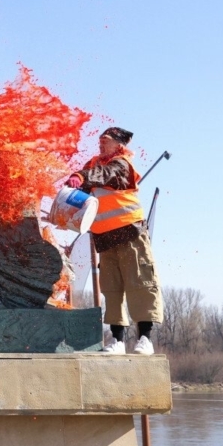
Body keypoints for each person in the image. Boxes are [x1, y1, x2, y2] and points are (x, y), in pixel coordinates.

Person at [67, 126, 163, 355]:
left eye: (106, 140)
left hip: (130, 233)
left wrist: (82, 176)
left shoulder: (121, 164)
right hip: (105, 238)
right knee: (112, 289)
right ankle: (117, 340)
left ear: (119, 145)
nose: (101, 143)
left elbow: (104, 174)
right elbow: (81, 190)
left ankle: (145, 339)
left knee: (140, 283)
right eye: (100, 139)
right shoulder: (93, 165)